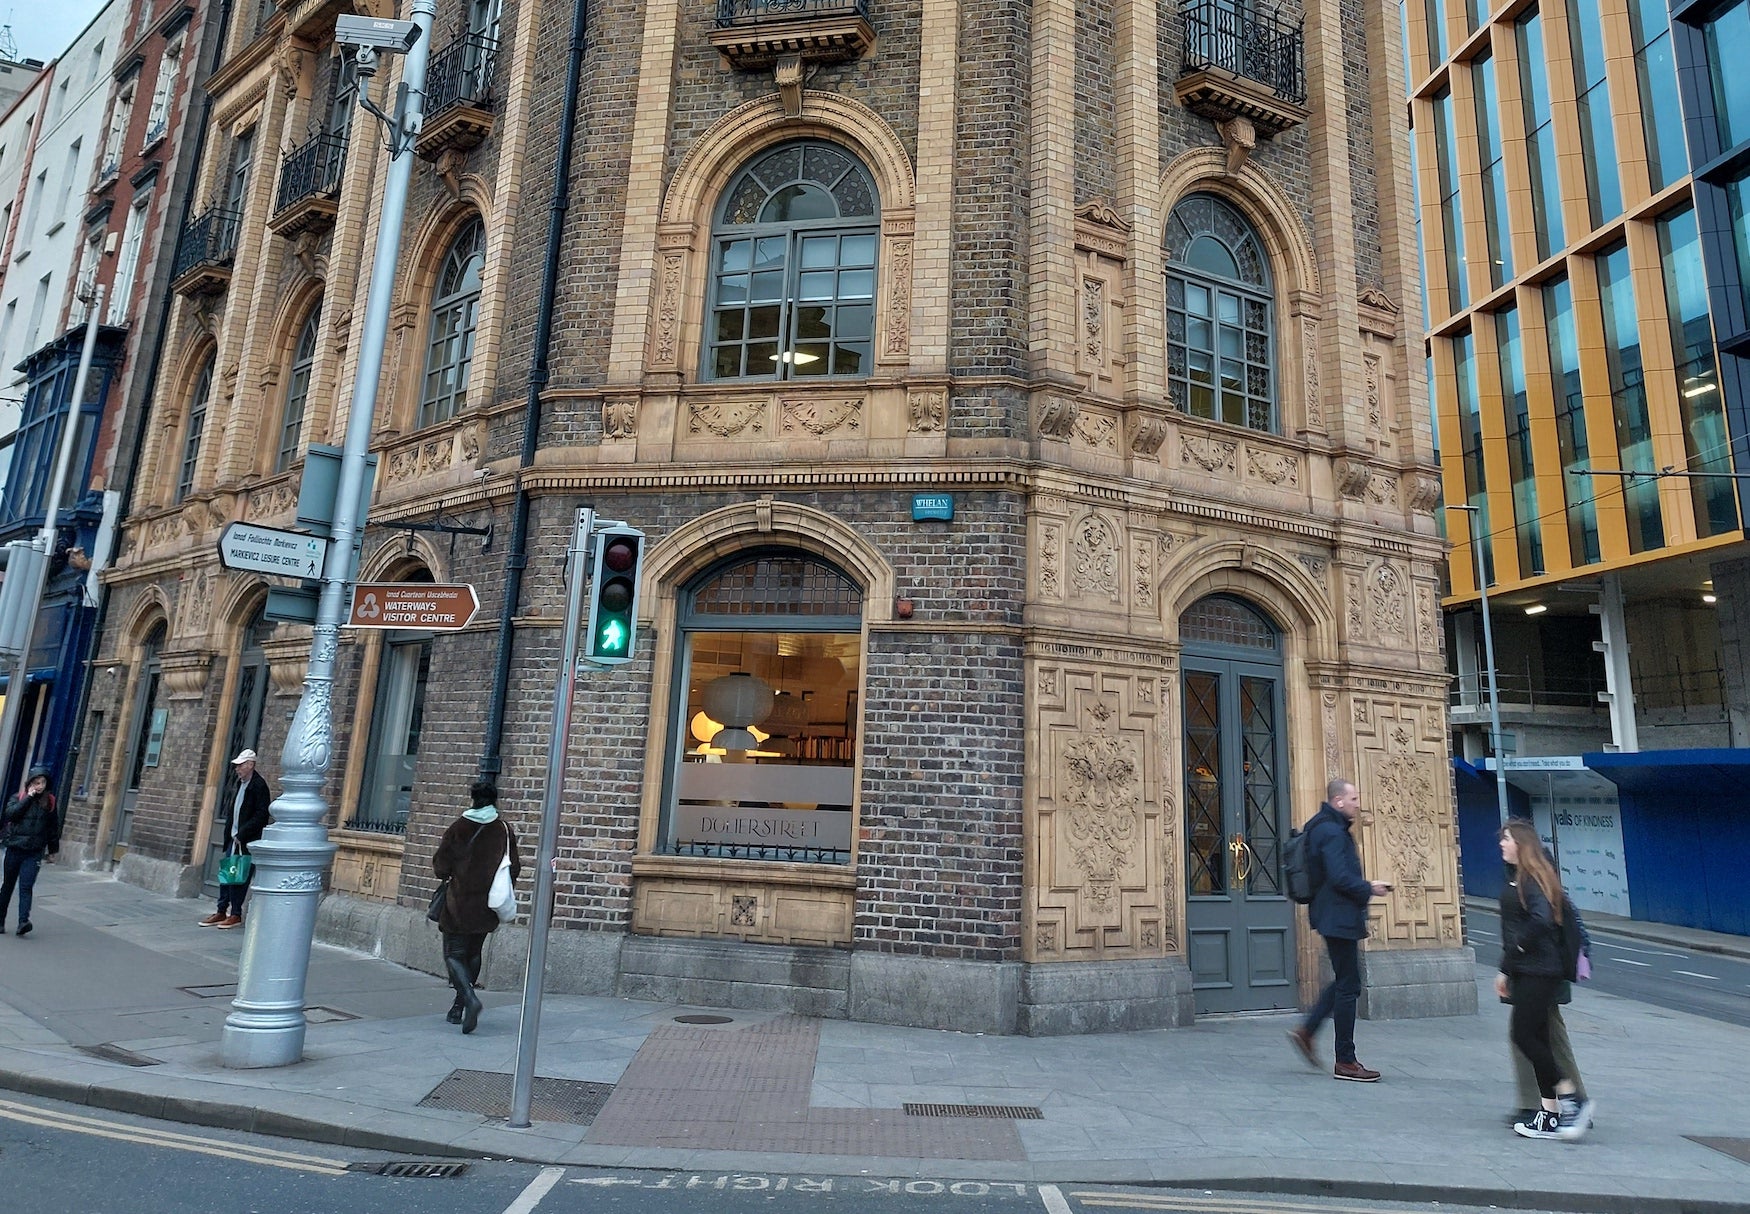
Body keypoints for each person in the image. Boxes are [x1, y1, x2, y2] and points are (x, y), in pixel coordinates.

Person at [1286, 778, 1391, 1081]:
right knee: (1348, 985)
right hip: (1338, 916)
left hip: (1332, 915)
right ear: (1338, 801)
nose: (1357, 805)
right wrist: (1370, 887)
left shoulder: (1322, 827)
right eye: (1353, 799)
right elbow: (1340, 877)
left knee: (1346, 980)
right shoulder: (1332, 832)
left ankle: (1307, 1031)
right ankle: (1345, 1060)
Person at [1496, 817, 1592, 1141]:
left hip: (1538, 969)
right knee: (1534, 1036)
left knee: (1527, 1036)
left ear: (1521, 844)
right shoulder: (1523, 873)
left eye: (1507, 838)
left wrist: (1514, 954)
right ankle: (1549, 1113)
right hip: (1531, 969)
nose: (1501, 843)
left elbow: (1541, 920)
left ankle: (1572, 1099)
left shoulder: (1533, 875)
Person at [432, 779, 520, 1034]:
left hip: (459, 902)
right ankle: (458, 1007)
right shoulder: (503, 829)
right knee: (474, 952)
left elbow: (441, 867)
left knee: (453, 954)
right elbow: (514, 867)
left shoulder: (459, 827)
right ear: (494, 800)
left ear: (473, 799)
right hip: (487, 902)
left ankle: (469, 999)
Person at [200, 749, 271, 929]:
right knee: (226, 875)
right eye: (236, 766)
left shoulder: (258, 786)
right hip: (233, 838)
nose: (237, 769)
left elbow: (262, 815)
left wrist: (242, 834)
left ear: (250, 765)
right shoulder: (240, 784)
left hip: (244, 840)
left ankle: (236, 913)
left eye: (240, 765)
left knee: (239, 877)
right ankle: (221, 910)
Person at [1, 766, 61, 936]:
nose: (39, 786)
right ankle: (0, 921)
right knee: (7, 885)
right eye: (36, 782)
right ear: (29, 783)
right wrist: (28, 798)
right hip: (15, 848)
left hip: (34, 851)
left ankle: (23, 922)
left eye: (42, 783)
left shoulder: (50, 802)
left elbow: (53, 827)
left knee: (26, 886)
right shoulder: (17, 798)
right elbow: (11, 814)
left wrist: (52, 849)